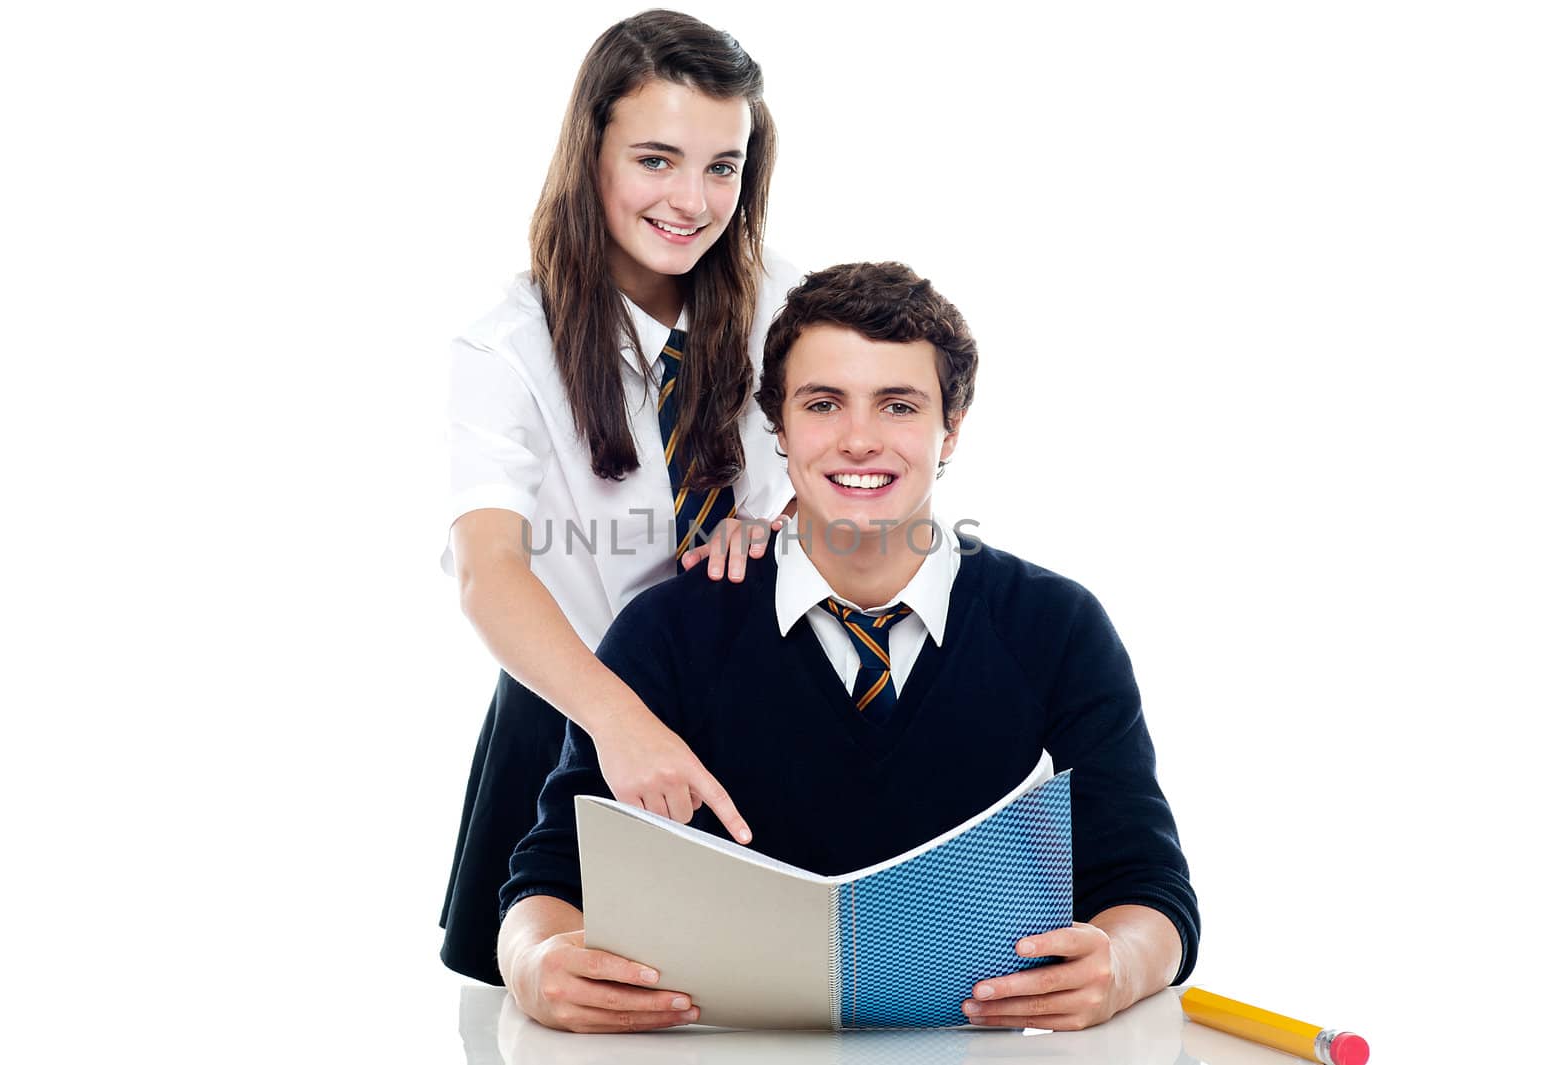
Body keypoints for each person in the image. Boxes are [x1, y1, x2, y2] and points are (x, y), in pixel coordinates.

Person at [495, 262, 1200, 1033]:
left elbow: (1148, 886)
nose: (859, 439)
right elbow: (551, 874)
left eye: (898, 405)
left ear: (951, 427)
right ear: (780, 428)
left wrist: (1121, 964)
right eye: (823, 403)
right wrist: (534, 964)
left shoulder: (1057, 627)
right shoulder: (668, 630)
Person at [439, 10, 803, 986]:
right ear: (589, 148)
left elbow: (868, 481)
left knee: (756, 1012)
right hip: (571, 722)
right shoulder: (503, 348)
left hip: (744, 729)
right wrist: (619, 725)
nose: (692, 200)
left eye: (722, 167)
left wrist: (777, 523)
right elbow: (488, 569)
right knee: (539, 1016)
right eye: (656, 159)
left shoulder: (789, 309)